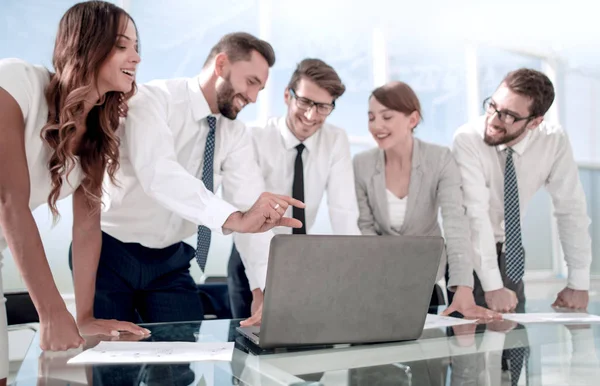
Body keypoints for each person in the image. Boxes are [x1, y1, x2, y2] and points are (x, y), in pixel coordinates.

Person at [87, 32, 303, 329]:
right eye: (251, 82)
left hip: (169, 261)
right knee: (110, 368)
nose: (253, 98)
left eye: (260, 89)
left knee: (180, 363)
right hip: (108, 253)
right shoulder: (153, 99)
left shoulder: (235, 134)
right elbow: (159, 175)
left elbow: (252, 208)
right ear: (222, 64)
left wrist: (262, 290)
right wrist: (234, 218)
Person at [0, 1, 148, 384]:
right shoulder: (14, 83)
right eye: (121, 46)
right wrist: (50, 312)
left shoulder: (98, 133)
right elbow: (9, 201)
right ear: (87, 46)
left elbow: (86, 229)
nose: (136, 57)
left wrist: (84, 316)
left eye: (137, 46)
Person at [353, 81, 499, 319]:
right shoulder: (362, 164)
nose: (376, 126)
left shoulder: (439, 159)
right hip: (380, 280)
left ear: (412, 120)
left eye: (387, 117)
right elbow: (365, 226)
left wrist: (463, 286)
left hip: (426, 279)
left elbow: (455, 223)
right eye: (371, 118)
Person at [228, 58, 361, 320]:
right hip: (250, 260)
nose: (311, 116)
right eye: (305, 102)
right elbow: (246, 212)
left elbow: (344, 213)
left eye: (323, 107)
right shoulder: (253, 137)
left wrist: (357, 273)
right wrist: (261, 289)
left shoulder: (335, 140)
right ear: (288, 95)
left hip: (301, 257)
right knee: (252, 349)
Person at [453, 68, 592, 313]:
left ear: (535, 122)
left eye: (508, 116)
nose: (494, 120)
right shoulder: (468, 139)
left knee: (515, 340)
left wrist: (578, 282)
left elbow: (571, 210)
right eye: (492, 106)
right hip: (468, 252)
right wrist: (493, 287)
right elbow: (475, 216)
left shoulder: (553, 141)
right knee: (467, 344)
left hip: (512, 253)